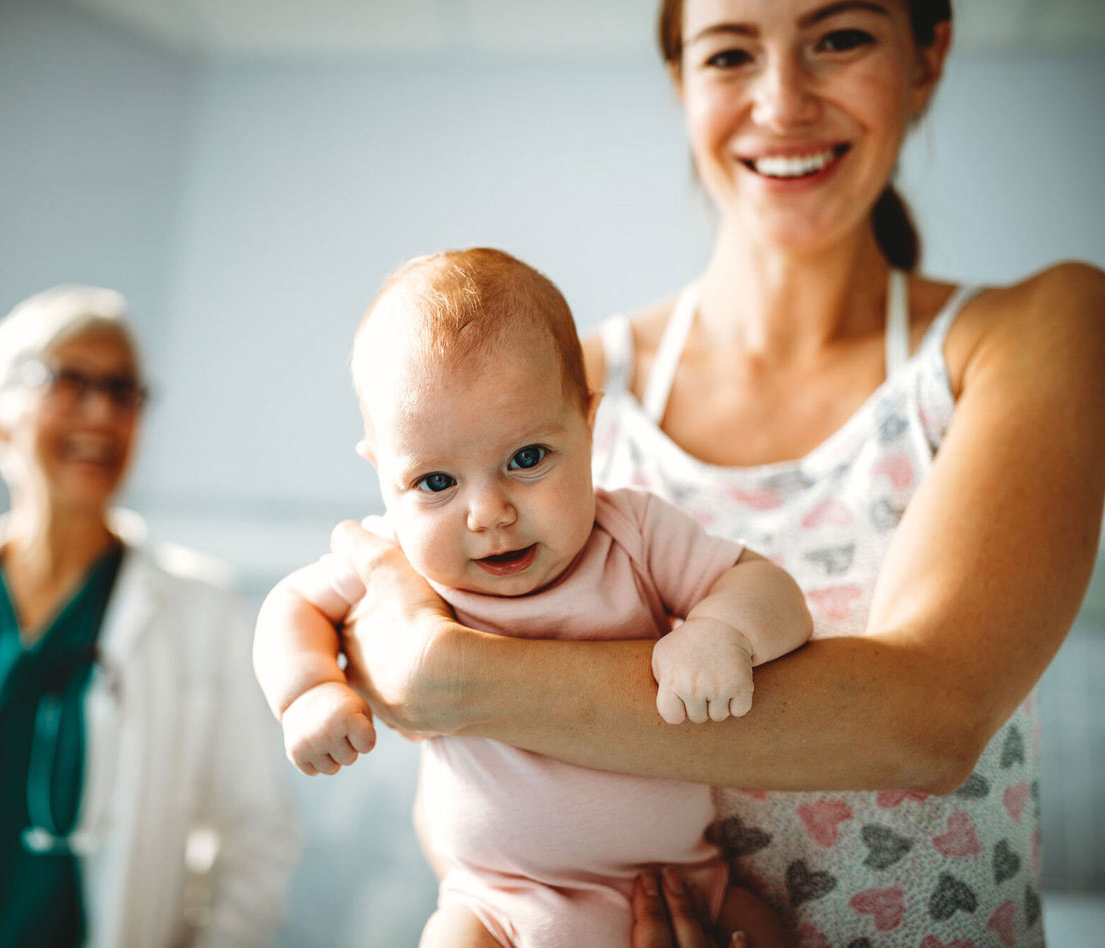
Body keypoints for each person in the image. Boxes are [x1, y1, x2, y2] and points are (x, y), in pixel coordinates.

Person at [267, 0, 1105, 944]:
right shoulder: (531, 393)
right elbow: (421, 712)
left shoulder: (1037, 332)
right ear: (682, 80)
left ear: (927, 54)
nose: (782, 102)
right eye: (730, 53)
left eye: (839, 38)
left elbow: (932, 721)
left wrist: (452, 674)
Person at [255, 248, 812, 947]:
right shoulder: (391, 556)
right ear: (381, 471)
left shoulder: (632, 531)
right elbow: (291, 605)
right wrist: (307, 691)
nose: (487, 514)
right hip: (495, 904)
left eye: (526, 459)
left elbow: (771, 588)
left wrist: (724, 631)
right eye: (434, 483)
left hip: (684, 883)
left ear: (587, 424)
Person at [0, 285, 300, 947]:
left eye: (124, 391)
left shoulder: (202, 613)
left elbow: (257, 842)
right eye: (69, 381)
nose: (102, 412)